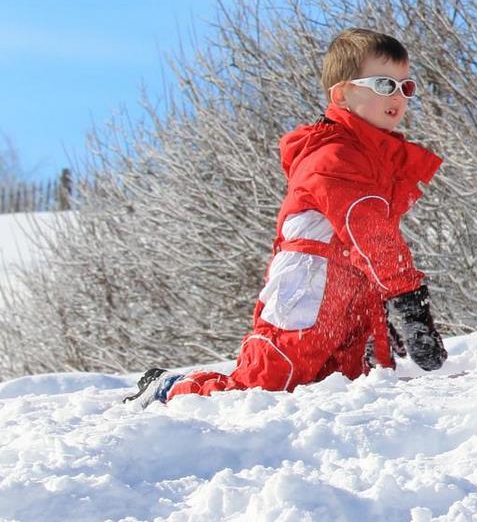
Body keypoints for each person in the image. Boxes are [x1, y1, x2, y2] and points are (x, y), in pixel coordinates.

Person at [128, 29, 447, 405]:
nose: (397, 96)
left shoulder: (374, 159)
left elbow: (365, 245)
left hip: (349, 298)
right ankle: (169, 389)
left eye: (404, 87)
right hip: (306, 292)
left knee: (338, 390)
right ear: (342, 94)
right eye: (383, 83)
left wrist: (380, 306)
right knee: (264, 385)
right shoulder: (333, 157)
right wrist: (409, 304)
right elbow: (370, 233)